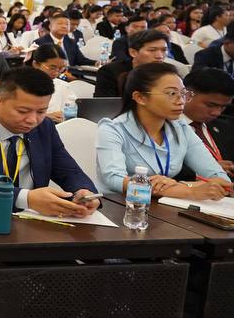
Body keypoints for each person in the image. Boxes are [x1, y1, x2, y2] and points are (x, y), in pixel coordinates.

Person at [0, 67, 99, 216]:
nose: (32, 120)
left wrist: (84, 192)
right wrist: (25, 198)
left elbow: (68, 171)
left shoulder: (44, 127)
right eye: (23, 111)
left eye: (41, 111)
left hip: (36, 220)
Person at [94, 62, 232, 199]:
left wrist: (183, 186)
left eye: (183, 94)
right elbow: (114, 179)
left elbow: (219, 178)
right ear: (140, 97)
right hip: (120, 204)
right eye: (171, 93)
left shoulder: (181, 128)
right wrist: (187, 191)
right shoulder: (113, 129)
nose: (181, 101)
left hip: (163, 204)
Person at [180, 67, 234, 177]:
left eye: (223, 107)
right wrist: (207, 169)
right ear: (187, 95)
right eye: (210, 105)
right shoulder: (163, 127)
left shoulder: (227, 127)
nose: (217, 113)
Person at [94, 28, 170, 98]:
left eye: (164, 50)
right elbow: (104, 104)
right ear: (133, 52)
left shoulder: (169, 72)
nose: (159, 56)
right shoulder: (110, 72)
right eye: (152, 50)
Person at [26, 44, 76, 122]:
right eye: (52, 68)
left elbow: (73, 109)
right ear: (36, 64)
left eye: (61, 69)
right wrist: (45, 117)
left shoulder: (63, 86)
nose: (56, 73)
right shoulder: (20, 85)